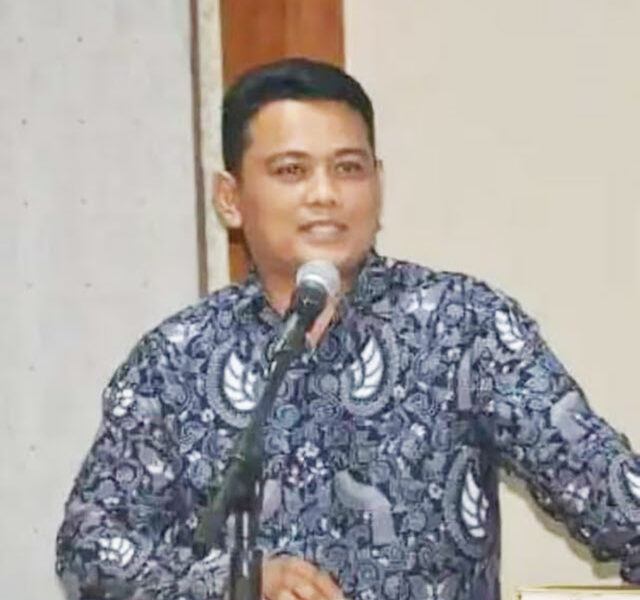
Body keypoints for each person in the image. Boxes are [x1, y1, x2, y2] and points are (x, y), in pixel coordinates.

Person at [56, 58, 640, 600]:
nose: (325, 194)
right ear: (230, 199)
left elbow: (607, 490)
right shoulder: (176, 360)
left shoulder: (463, 327)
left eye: (348, 168)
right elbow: (91, 551)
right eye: (291, 170)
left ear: (378, 184)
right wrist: (235, 583)